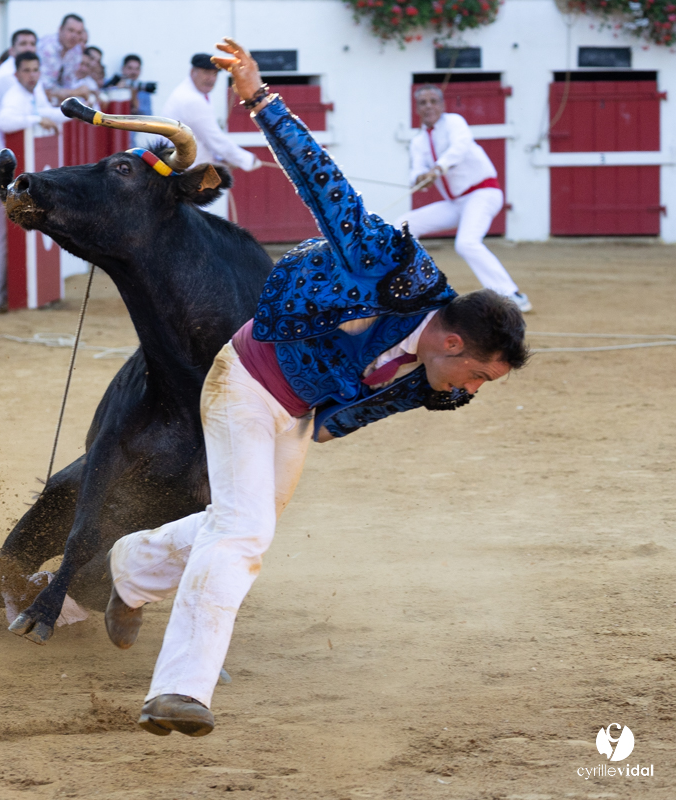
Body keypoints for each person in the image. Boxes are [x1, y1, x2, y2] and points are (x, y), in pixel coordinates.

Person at [104, 38, 529, 739]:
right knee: (243, 532)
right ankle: (179, 689)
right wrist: (259, 98)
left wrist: (351, 417)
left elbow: (357, 412)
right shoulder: (389, 266)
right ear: (454, 342)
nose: (472, 391)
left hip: (296, 416)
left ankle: (132, 565)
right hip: (246, 379)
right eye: (479, 376)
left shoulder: (433, 379)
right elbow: (323, 181)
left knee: (237, 525)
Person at [396, 85, 532, 313]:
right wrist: (420, 178)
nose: (428, 106)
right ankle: (414, 288)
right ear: (417, 109)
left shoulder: (454, 122)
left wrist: (437, 169)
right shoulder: (418, 141)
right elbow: (416, 171)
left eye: (433, 101)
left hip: (483, 193)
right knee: (403, 225)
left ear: (442, 105)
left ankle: (511, 295)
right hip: (457, 203)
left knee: (466, 243)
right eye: (423, 103)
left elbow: (459, 147)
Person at [0, 51, 64, 312]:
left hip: (16, 174)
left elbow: (45, 112)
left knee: (7, 232)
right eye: (26, 70)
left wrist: (73, 113)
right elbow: (5, 122)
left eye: (35, 70)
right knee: (3, 233)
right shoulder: (14, 95)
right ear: (16, 74)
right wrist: (37, 119)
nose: (32, 75)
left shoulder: (30, 94)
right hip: (7, 175)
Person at [160, 53, 260, 218]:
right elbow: (215, 140)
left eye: (214, 74)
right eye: (206, 73)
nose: (211, 79)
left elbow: (203, 138)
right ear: (193, 72)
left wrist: (221, 159)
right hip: (184, 174)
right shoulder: (191, 99)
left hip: (185, 170)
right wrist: (247, 160)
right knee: (191, 220)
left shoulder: (192, 94)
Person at [37, 13, 88, 103]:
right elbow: (45, 89)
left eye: (79, 33)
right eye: (71, 30)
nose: (74, 36)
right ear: (60, 29)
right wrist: (76, 92)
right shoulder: (47, 47)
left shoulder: (76, 50)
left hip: (59, 100)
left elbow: (70, 83)